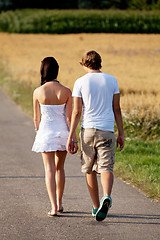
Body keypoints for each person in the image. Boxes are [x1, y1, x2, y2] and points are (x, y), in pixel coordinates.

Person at [66, 50, 124, 221]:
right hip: (107, 130)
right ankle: (107, 196)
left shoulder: (80, 82)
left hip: (88, 131)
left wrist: (71, 136)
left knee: (89, 169)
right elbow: (117, 109)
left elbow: (77, 112)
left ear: (84, 64)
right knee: (106, 167)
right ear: (100, 63)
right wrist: (121, 133)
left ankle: (95, 206)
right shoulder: (112, 80)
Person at [32, 57, 77, 217]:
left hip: (46, 132)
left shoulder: (38, 92)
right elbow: (69, 117)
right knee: (60, 168)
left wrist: (39, 132)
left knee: (49, 169)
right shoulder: (66, 91)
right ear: (57, 71)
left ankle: (52, 207)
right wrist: (74, 138)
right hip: (63, 133)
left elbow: (36, 118)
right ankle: (59, 203)